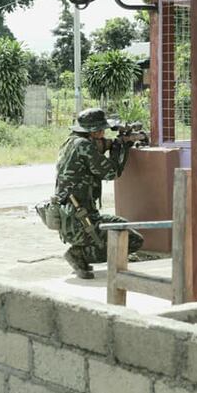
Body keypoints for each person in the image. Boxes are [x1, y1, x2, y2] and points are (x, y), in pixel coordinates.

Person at [55, 108, 143, 279]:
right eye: (101, 130)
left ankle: (81, 254)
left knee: (121, 227)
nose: (103, 134)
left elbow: (97, 151)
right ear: (95, 131)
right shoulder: (84, 146)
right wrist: (121, 147)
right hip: (81, 219)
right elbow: (111, 173)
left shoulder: (71, 143)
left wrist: (116, 143)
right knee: (132, 239)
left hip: (71, 216)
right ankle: (79, 255)